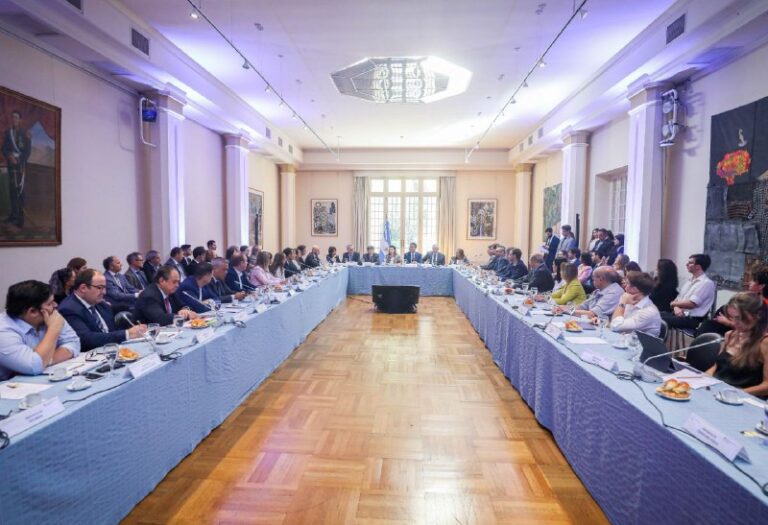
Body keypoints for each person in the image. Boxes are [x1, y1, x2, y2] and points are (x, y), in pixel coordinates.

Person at [0, 280, 80, 381]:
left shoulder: (50, 314)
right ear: (33, 312)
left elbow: (74, 342)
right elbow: (33, 366)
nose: (55, 305)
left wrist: (46, 360)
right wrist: (53, 330)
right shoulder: (3, 330)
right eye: (50, 303)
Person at [58, 269, 147, 350]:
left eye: (104, 288)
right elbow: (87, 339)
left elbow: (111, 330)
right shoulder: (68, 309)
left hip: (114, 350)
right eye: (100, 288)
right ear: (83, 288)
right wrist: (127, 334)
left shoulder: (99, 303)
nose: (104, 292)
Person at [706, 292, 768, 397]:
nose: (735, 323)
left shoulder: (764, 343)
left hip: (744, 400)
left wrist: (734, 394)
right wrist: (703, 379)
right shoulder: (729, 335)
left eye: (740, 318)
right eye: (732, 318)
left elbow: (766, 386)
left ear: (758, 316)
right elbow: (717, 367)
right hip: (719, 394)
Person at [696, 265, 768, 337]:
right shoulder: (755, 298)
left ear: (761, 286)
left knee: (708, 326)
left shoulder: (763, 305)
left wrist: (728, 322)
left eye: (753, 280)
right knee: (708, 325)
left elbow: (754, 329)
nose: (749, 283)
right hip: (730, 327)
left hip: (743, 335)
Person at [661, 254, 716, 330]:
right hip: (680, 314)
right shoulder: (690, 281)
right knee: (654, 315)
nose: (687, 264)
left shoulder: (706, 283)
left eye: (690, 263)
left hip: (693, 319)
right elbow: (678, 299)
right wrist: (676, 308)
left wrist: (673, 304)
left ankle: (656, 341)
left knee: (657, 320)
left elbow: (692, 304)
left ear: (698, 267)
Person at [2, 110, 31, 228]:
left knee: (20, 191)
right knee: (12, 190)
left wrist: (18, 160)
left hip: (20, 166)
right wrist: (9, 156)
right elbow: (4, 148)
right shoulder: (8, 133)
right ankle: (13, 216)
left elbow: (27, 151)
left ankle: (21, 218)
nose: (14, 119)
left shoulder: (25, 133)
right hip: (11, 165)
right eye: (13, 117)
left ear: (20, 120)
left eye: (16, 117)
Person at [609, 271, 662, 337]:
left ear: (634, 289)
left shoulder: (648, 311)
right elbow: (615, 323)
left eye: (627, 284)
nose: (625, 288)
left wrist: (622, 302)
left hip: (640, 346)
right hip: (626, 341)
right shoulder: (631, 301)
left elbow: (615, 326)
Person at [559, 267, 623, 319]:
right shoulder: (599, 291)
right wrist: (561, 307)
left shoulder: (614, 293)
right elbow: (582, 307)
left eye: (593, 278)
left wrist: (565, 310)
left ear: (601, 279)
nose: (592, 281)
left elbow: (592, 314)